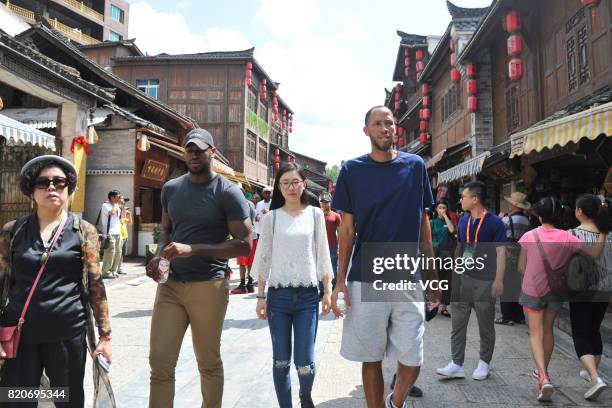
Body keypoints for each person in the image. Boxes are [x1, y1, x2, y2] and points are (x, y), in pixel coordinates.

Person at [331, 106, 439, 408]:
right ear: (366, 130)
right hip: (366, 275)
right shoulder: (352, 170)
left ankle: (397, 401)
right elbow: (347, 229)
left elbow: (423, 224)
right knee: (371, 356)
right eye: (377, 123)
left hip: (407, 273)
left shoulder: (415, 166)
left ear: (396, 128)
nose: (384, 128)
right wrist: (339, 282)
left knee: (413, 357)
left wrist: (433, 278)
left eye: (389, 122)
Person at [145, 128, 252, 408]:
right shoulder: (171, 189)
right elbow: (166, 230)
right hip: (171, 286)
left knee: (208, 362)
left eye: (200, 149)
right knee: (160, 362)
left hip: (209, 285)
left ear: (212, 153)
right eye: (189, 148)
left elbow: (244, 245)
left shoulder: (228, 192)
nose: (193, 153)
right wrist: (159, 257)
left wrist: (194, 249)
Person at [0, 155, 112, 408]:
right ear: (32, 191)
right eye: (43, 182)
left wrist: (105, 336)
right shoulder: (13, 231)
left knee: (66, 401)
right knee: (16, 400)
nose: (51, 187)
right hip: (20, 337)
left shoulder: (83, 231)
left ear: (68, 189)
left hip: (66, 335)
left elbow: (96, 284)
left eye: (59, 182)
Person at [252, 162, 333, 408]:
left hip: (308, 296)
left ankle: (305, 395)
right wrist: (260, 297)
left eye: (295, 182)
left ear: (304, 184)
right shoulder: (272, 218)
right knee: (281, 361)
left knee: (305, 362)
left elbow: (322, 253)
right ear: (278, 186)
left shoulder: (315, 214)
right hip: (278, 298)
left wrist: (327, 290)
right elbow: (264, 259)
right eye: (285, 183)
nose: (290, 187)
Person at [517, 196, 606, 402]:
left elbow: (521, 267)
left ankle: (544, 377)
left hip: (532, 291)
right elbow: (594, 253)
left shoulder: (529, 236)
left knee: (535, 334)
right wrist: (602, 230)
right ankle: (543, 372)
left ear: (540, 216)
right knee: (548, 331)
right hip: (556, 291)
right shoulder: (567, 237)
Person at [437, 181, 507, 382]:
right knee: (457, 323)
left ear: (475, 199)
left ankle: (484, 363)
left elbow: (501, 252)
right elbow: (463, 247)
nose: (461, 200)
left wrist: (499, 280)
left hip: (486, 281)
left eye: (464, 197)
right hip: (464, 279)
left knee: (486, 326)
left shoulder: (494, 222)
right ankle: (456, 364)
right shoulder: (463, 221)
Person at [568, 195, 611, 401]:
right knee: (594, 330)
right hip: (604, 290)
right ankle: (592, 372)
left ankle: (595, 378)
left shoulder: (572, 234)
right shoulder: (609, 235)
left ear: (579, 212)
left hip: (581, 290)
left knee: (580, 334)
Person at [495, 192, 531, 325]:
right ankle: (519, 316)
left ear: (513, 205)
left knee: (505, 285)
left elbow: (496, 231)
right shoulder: (527, 220)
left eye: (510, 203)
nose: (508, 205)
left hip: (508, 255)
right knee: (517, 286)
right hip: (522, 254)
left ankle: (507, 316)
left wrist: (499, 219)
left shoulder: (506, 220)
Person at [430, 200, 456, 317]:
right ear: (436, 209)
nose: (442, 209)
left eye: (444, 208)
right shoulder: (432, 222)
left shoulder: (449, 221)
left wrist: (446, 216)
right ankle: (432, 304)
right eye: (440, 207)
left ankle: (444, 307)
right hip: (434, 254)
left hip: (446, 255)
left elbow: (451, 230)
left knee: (446, 280)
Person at [231, 189, 258, 294]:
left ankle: (242, 285)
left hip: (243, 236)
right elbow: (255, 218)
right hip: (253, 235)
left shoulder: (237, 204)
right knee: (250, 262)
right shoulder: (251, 203)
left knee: (242, 263)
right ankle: (250, 284)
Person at [100, 190, 122, 279]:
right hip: (110, 233)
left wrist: (122, 207)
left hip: (118, 232)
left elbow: (121, 218)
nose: (119, 199)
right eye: (118, 197)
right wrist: (116, 205)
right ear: (112, 197)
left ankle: (113, 271)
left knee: (118, 253)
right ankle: (106, 272)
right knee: (110, 253)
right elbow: (111, 213)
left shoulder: (117, 206)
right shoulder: (105, 205)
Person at [321, 193, 341, 290]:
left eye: (326, 202)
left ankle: (334, 286)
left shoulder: (336, 216)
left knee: (333, 267)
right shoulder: (318, 215)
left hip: (332, 246)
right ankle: (322, 288)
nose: (325, 204)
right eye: (323, 202)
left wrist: (339, 247)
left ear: (330, 203)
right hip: (320, 247)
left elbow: (340, 232)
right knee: (321, 267)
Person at [116, 195, 133, 275]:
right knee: (117, 253)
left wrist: (129, 214)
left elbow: (130, 222)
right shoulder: (118, 215)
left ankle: (119, 268)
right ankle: (115, 268)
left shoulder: (123, 215)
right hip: (119, 236)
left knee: (122, 254)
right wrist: (123, 210)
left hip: (125, 236)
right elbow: (121, 219)